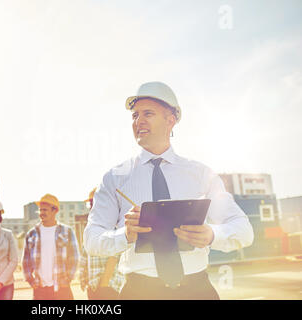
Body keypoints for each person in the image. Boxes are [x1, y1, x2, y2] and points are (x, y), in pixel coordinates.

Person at [83, 82, 254, 300]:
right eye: (135, 115)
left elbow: (244, 230)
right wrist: (125, 235)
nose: (138, 121)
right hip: (139, 292)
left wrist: (211, 234)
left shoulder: (201, 174)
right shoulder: (114, 178)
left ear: (170, 120)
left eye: (148, 114)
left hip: (197, 291)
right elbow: (91, 240)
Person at [22, 193, 80, 300]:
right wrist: (30, 280)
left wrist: (68, 278)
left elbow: (74, 257)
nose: (41, 213)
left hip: (62, 287)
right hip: (40, 288)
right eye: (40, 210)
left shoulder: (67, 231)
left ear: (55, 210)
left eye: (45, 210)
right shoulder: (32, 234)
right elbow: (26, 260)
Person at [79, 188, 124, 300]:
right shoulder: (91, 228)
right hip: (93, 287)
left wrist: (103, 284)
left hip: (109, 287)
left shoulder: (114, 225)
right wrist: (84, 280)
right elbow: (85, 255)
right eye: (90, 204)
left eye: (93, 203)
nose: (91, 207)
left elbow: (114, 257)